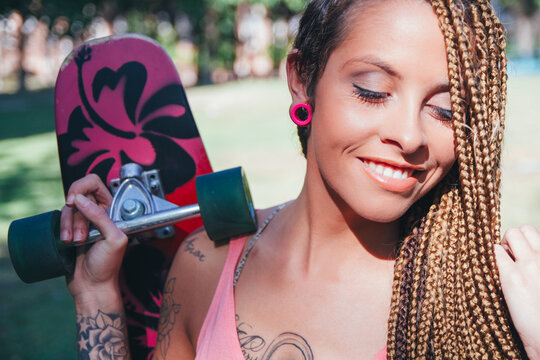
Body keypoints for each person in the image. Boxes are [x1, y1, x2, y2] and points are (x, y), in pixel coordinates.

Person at [60, 0, 540, 358]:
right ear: (302, 77)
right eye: (373, 90)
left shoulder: (481, 304)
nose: (410, 135)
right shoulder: (205, 263)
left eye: (444, 110)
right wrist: (96, 296)